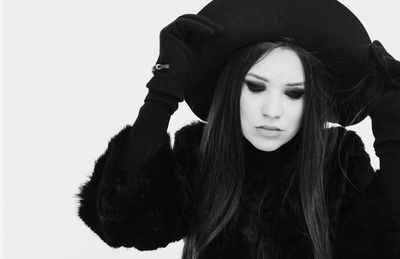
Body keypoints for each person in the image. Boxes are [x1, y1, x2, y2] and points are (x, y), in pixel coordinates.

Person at [75, 0, 400, 258]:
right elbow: (122, 218)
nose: (272, 111)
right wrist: (162, 90)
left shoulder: (338, 162)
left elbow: (386, 244)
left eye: (294, 93)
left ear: (311, 101)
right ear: (232, 92)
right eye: (256, 88)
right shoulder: (201, 154)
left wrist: (393, 136)